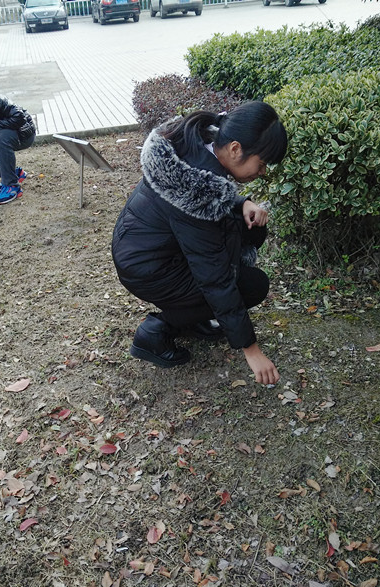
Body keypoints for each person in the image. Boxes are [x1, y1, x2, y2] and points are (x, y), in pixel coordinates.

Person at [111, 102, 288, 385]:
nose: (263, 172)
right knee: (252, 286)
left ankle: (195, 318)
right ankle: (155, 331)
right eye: (263, 163)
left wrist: (240, 202)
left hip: (147, 246)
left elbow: (208, 186)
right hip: (149, 269)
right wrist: (250, 348)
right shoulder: (197, 195)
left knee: (251, 233)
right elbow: (214, 277)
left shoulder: (198, 144)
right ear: (235, 149)